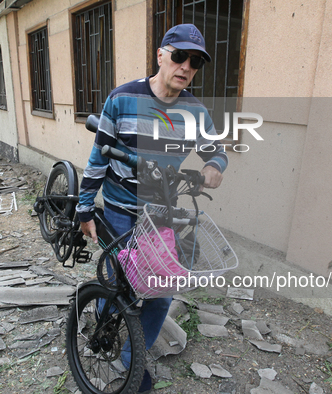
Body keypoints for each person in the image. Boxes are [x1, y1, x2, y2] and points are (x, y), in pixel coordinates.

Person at [76, 24, 227, 393]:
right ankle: (104, 323)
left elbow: (216, 152)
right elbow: (98, 158)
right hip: (118, 209)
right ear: (161, 54)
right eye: (179, 56)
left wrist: (212, 169)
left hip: (161, 215)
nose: (186, 66)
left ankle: (132, 359)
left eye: (195, 62)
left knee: (160, 293)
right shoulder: (123, 98)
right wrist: (84, 208)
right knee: (117, 282)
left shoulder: (194, 111)